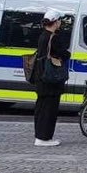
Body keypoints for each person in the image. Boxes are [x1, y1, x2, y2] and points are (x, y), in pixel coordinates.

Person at [31, 10, 70, 147]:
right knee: (49, 108)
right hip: (50, 78)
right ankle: (44, 137)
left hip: (41, 76)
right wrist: (66, 54)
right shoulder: (53, 37)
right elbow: (63, 54)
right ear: (56, 21)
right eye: (60, 21)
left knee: (41, 107)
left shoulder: (43, 35)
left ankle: (40, 136)